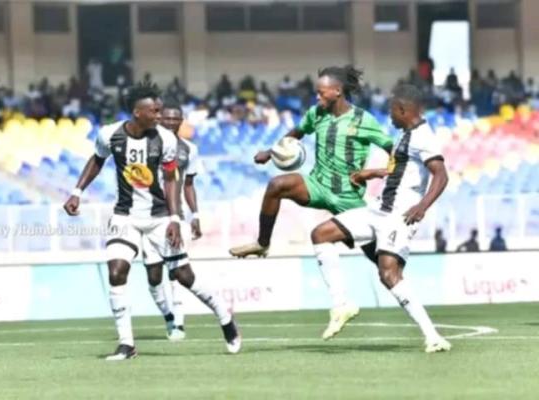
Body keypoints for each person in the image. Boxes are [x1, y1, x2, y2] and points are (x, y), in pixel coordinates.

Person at [63, 81, 240, 361]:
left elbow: (171, 180)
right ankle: (126, 344)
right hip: (125, 216)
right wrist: (77, 192)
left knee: (184, 277)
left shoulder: (166, 140)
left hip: (159, 218)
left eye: (160, 110)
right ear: (137, 112)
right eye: (155, 111)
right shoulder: (110, 135)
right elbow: (97, 161)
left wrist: (174, 218)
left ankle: (224, 314)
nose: (160, 116)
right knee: (116, 271)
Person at [229, 65, 393, 339]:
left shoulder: (363, 120)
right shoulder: (316, 114)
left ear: (337, 91)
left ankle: (408, 300)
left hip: (348, 197)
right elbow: (296, 132)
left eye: (321, 92)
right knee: (277, 185)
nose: (317, 97)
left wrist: (378, 172)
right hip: (318, 185)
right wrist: (271, 152)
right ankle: (263, 243)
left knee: (383, 266)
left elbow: (393, 151)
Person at [309, 83, 451, 353]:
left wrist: (422, 205)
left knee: (388, 274)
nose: (389, 116)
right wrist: (371, 173)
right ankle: (341, 305)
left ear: (403, 110)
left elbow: (441, 174)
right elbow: (401, 170)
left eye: (392, 111)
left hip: (399, 216)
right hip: (378, 209)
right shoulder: (405, 135)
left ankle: (432, 336)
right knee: (321, 234)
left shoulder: (424, 137)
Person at [145, 100, 204, 341]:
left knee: (176, 271)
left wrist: (195, 215)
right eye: (165, 118)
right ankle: (168, 315)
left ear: (181, 121)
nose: (170, 122)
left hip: (174, 217)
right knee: (153, 276)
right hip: (147, 216)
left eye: (174, 119)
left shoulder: (189, 149)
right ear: (159, 120)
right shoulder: (146, 144)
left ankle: (178, 322)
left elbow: (188, 185)